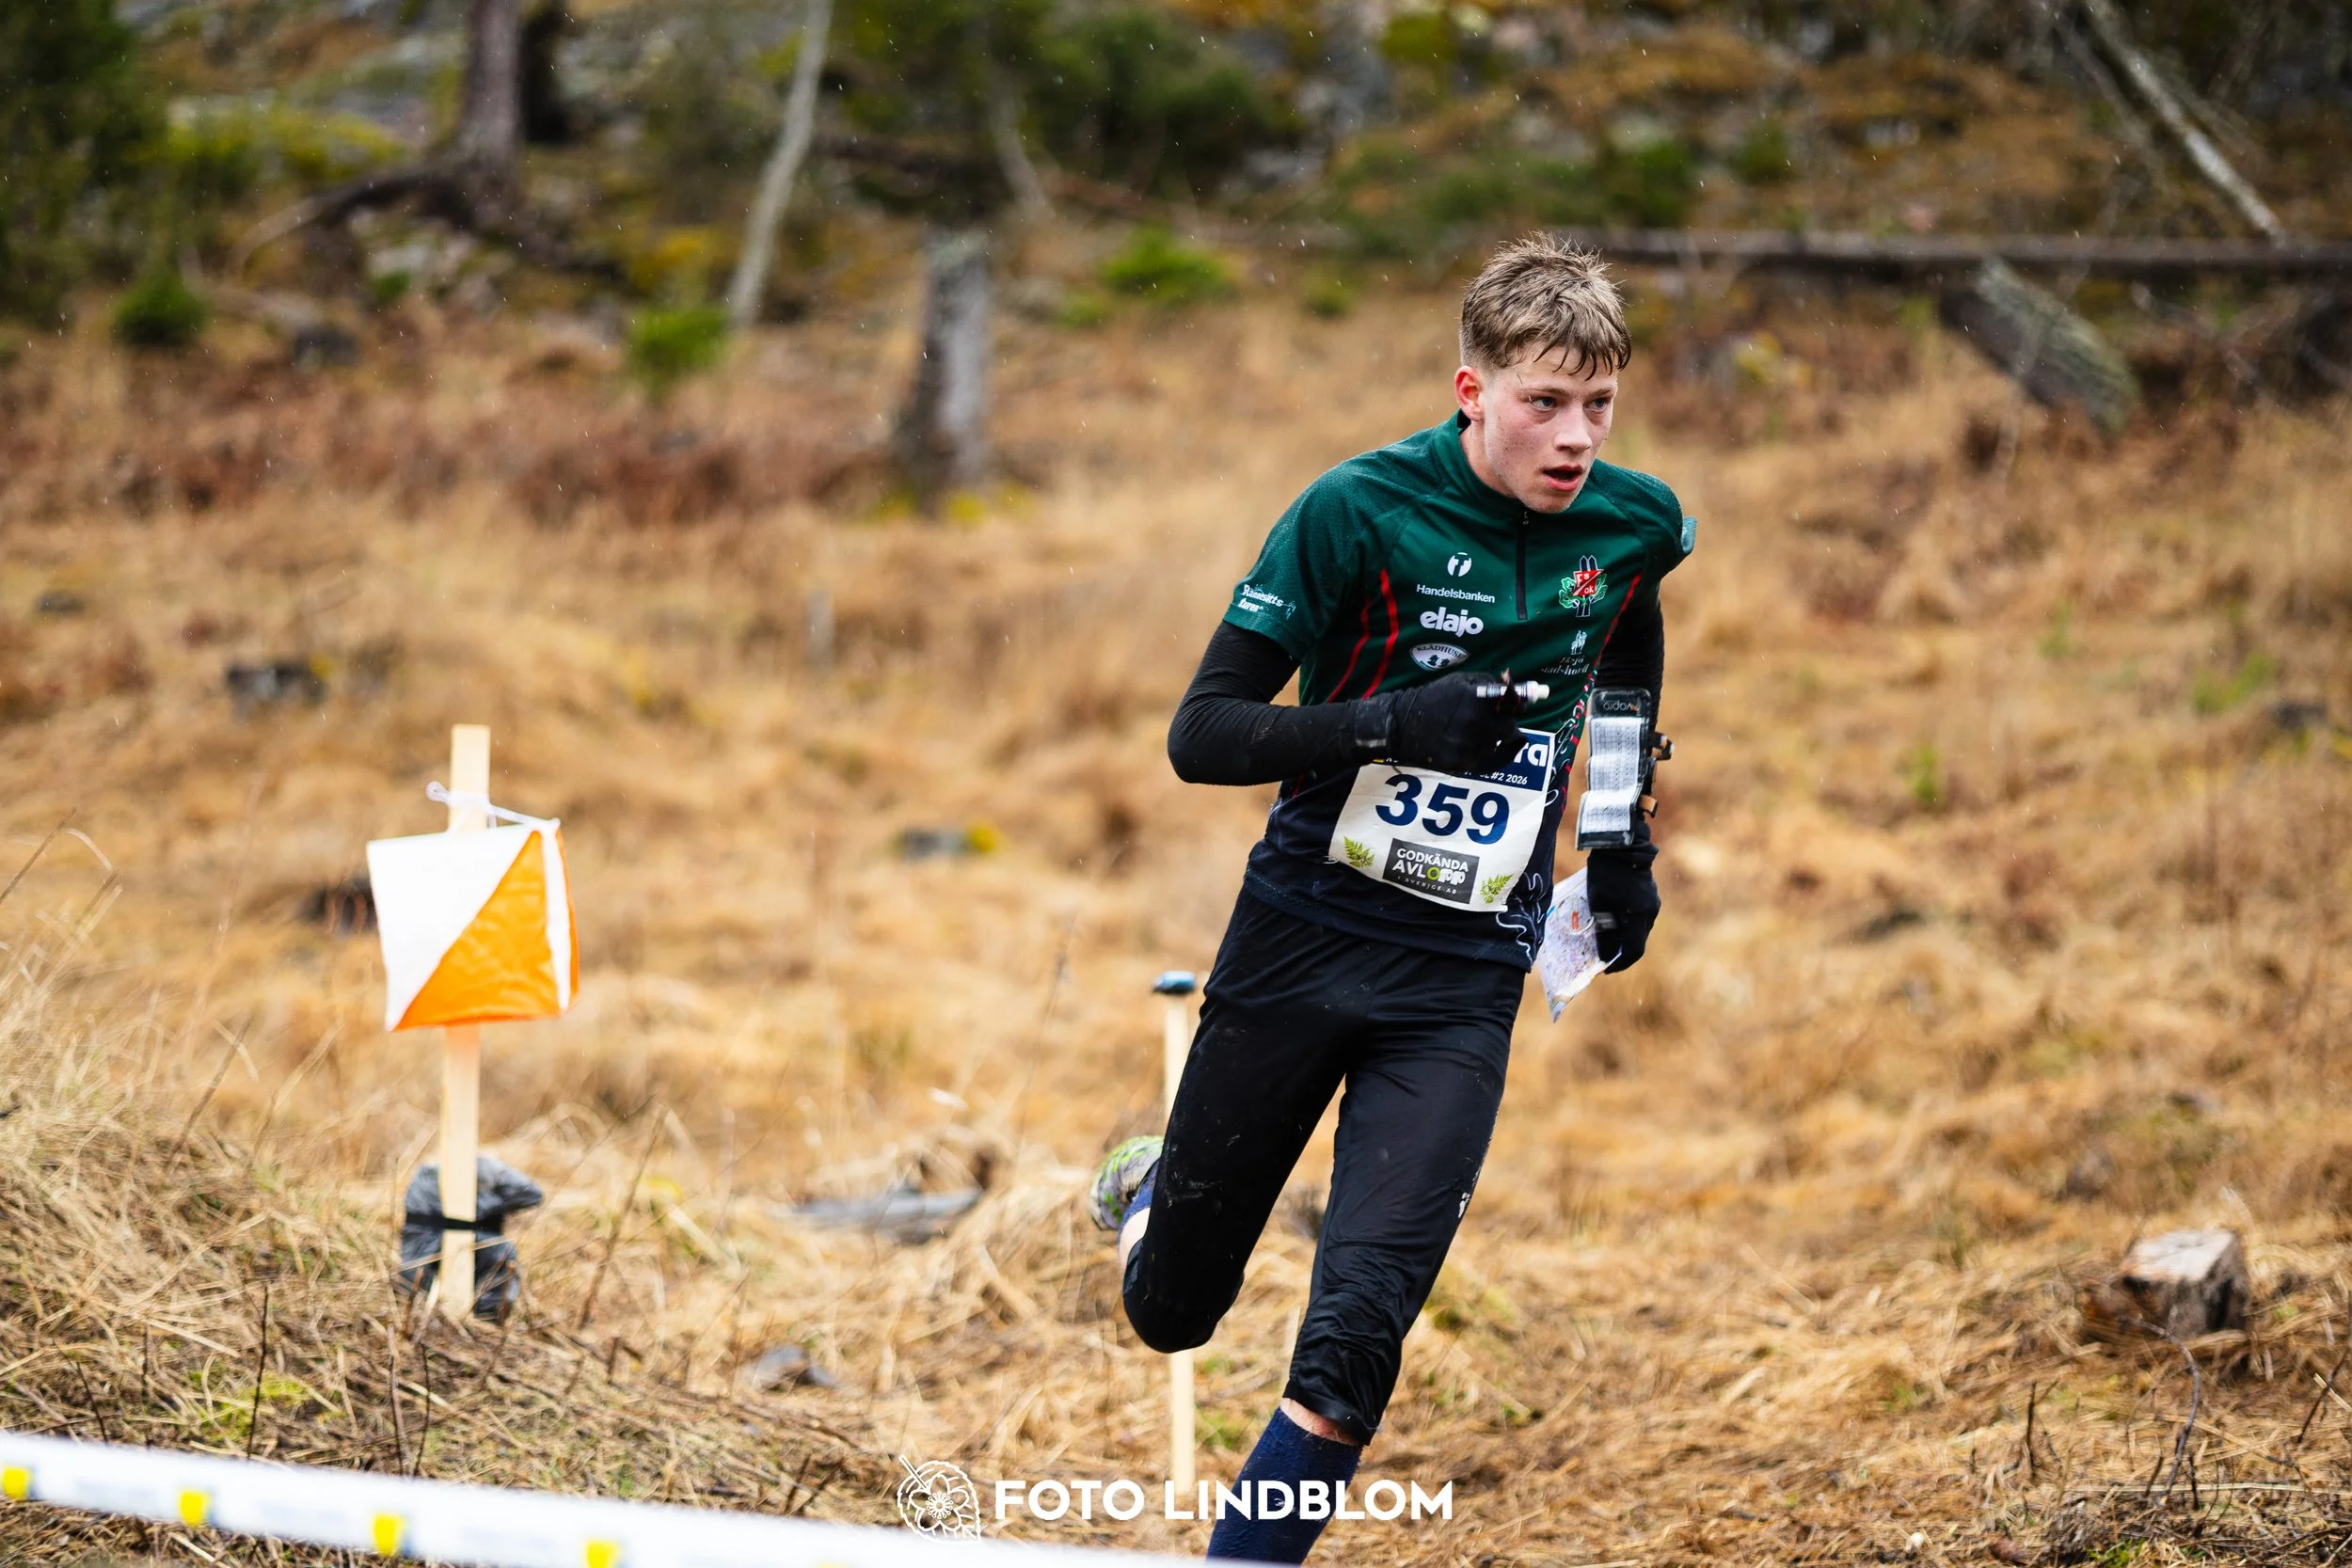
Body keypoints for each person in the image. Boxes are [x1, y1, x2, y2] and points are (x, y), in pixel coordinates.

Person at [1086, 234, 1695, 1564]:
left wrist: (1618, 834)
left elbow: (1629, 638)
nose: (1575, 437)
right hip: (1307, 932)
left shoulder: (1633, 523)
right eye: (1544, 401)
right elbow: (1204, 734)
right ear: (1469, 389)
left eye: (1599, 404)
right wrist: (1395, 722)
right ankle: (1146, 1197)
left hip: (1464, 975)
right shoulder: (1355, 512)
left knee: (1358, 1333)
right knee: (1176, 1311)